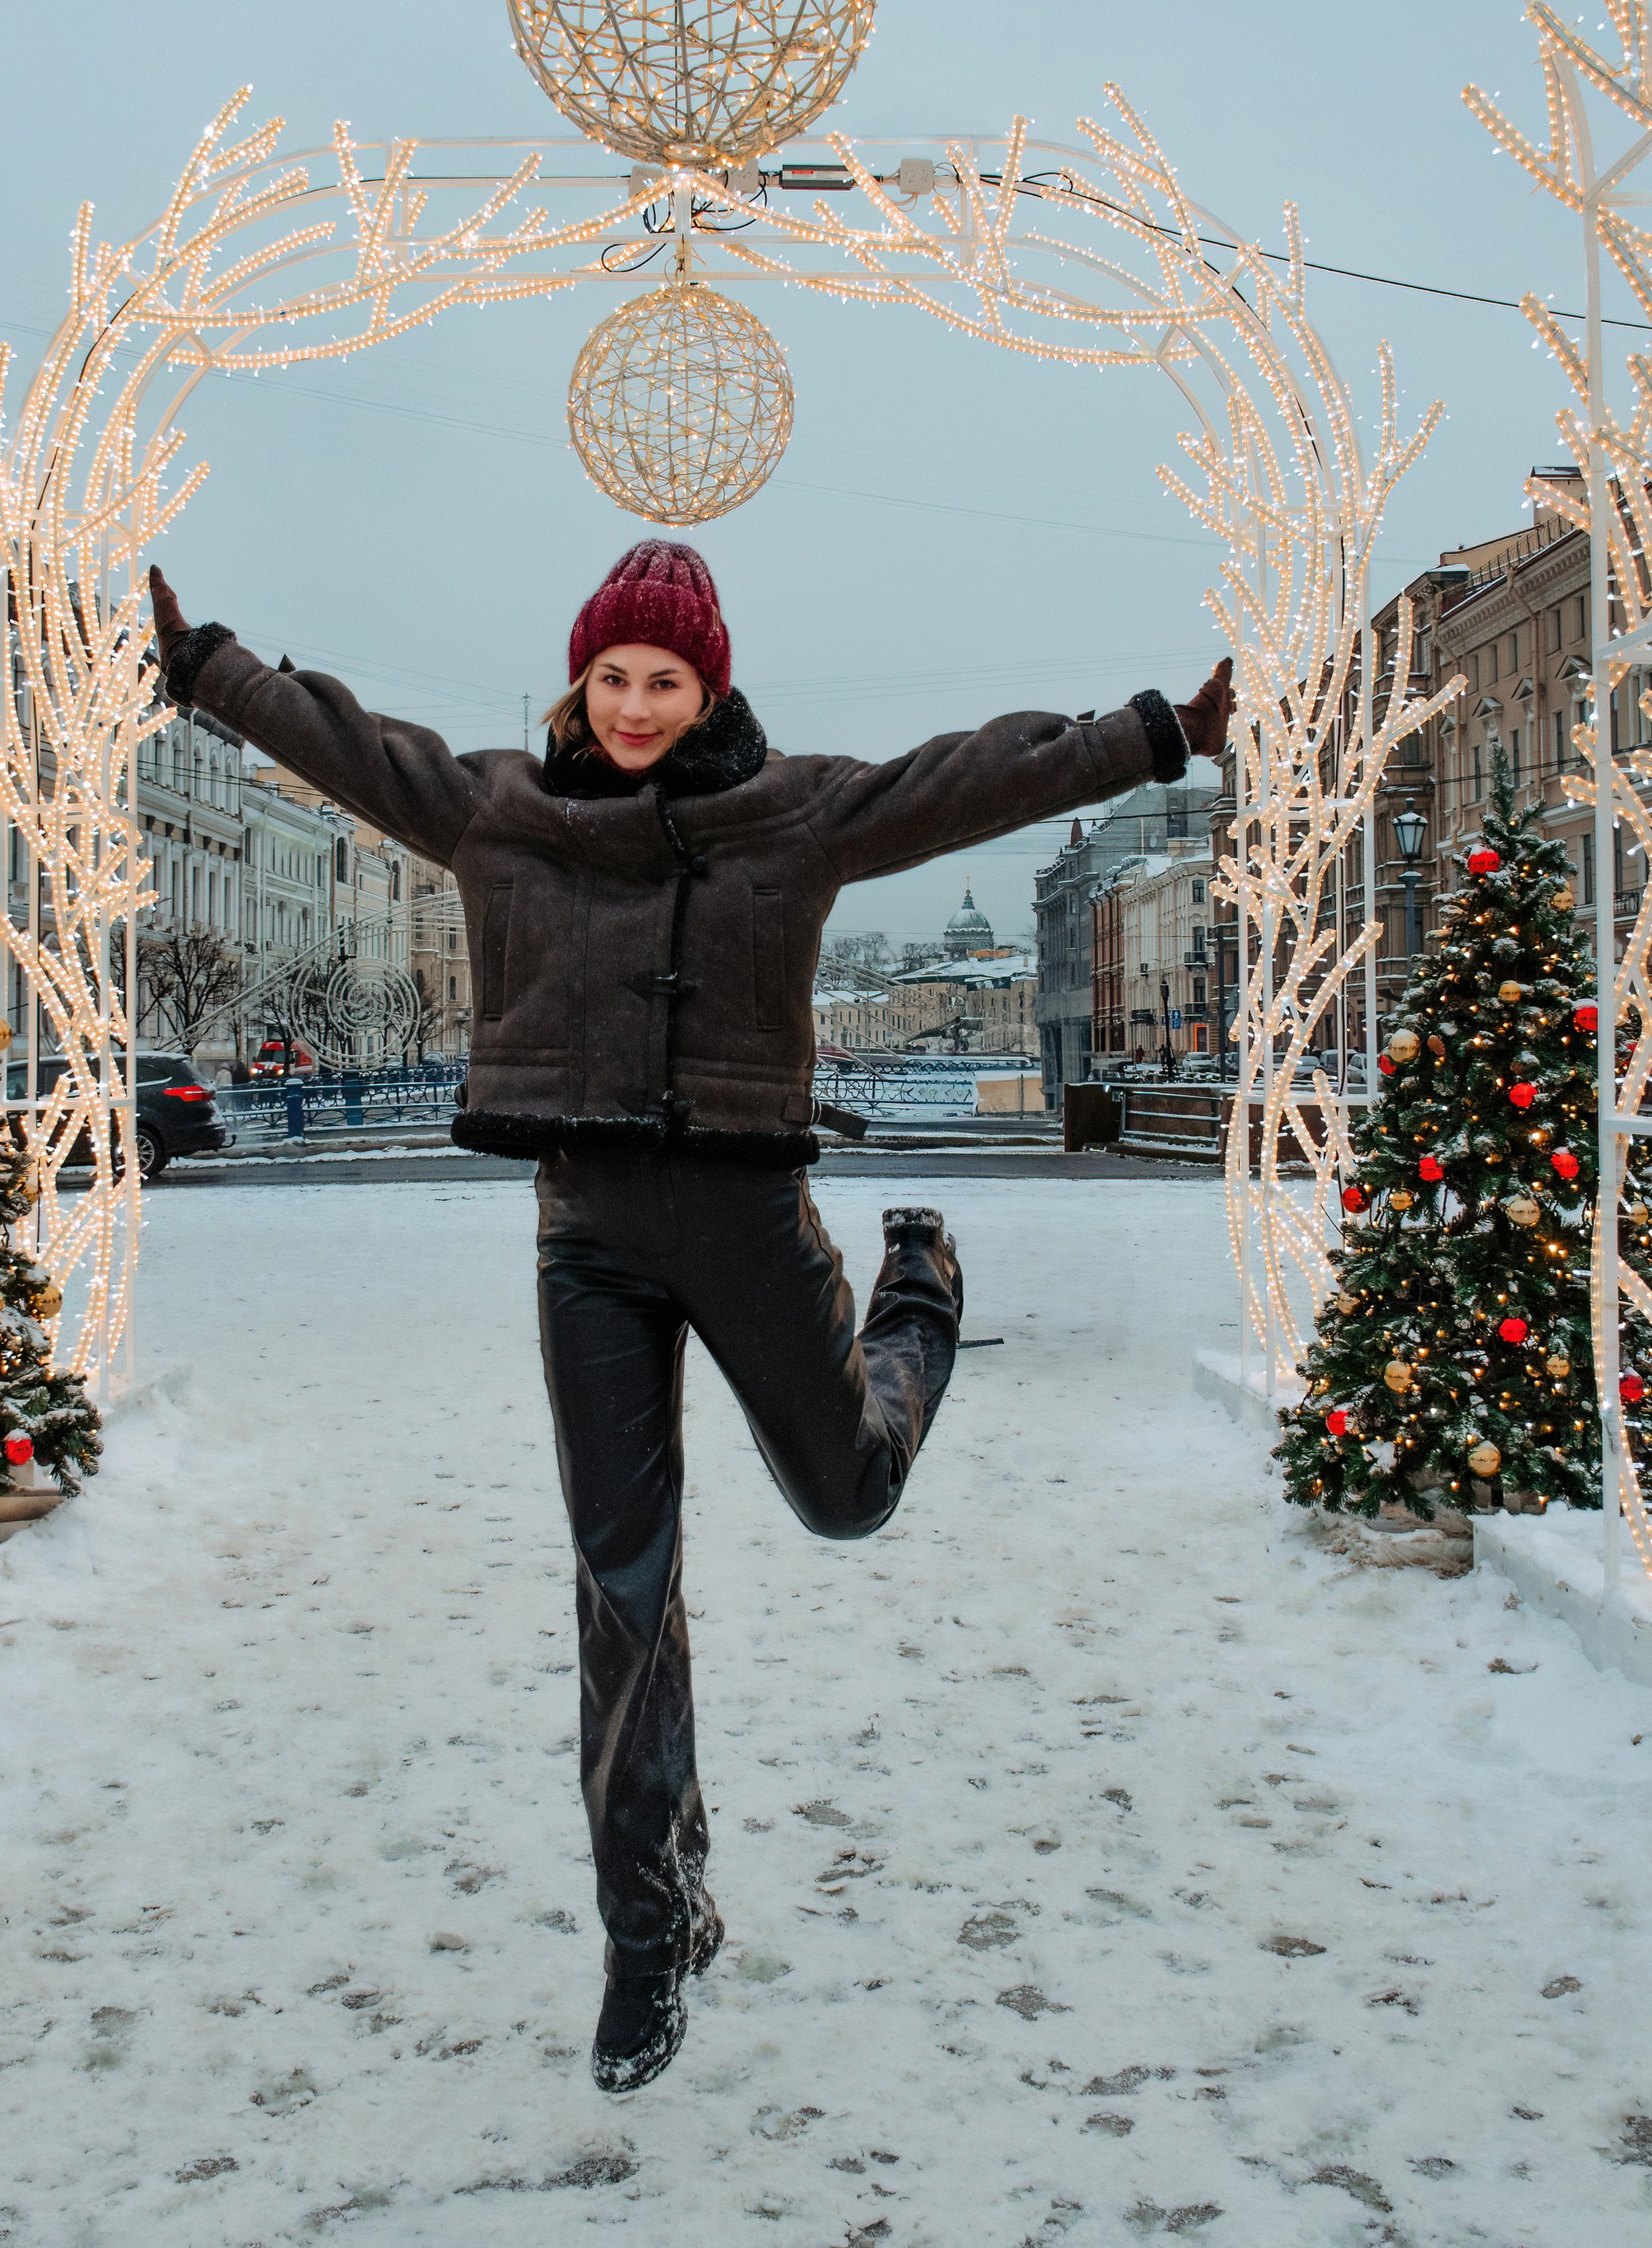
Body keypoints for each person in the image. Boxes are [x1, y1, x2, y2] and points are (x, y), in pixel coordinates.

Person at [147, 542, 1233, 2092]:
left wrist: (1159, 733)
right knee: (623, 1589)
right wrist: (206, 669)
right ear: (580, 682)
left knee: (846, 1495)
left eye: (667, 680)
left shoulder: (787, 812)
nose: (640, 705)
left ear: (708, 683)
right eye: (616, 678)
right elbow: (349, 742)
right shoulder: (498, 808)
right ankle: (648, 1931)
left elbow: (967, 779)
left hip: (744, 1221)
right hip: (585, 1235)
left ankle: (918, 1285)